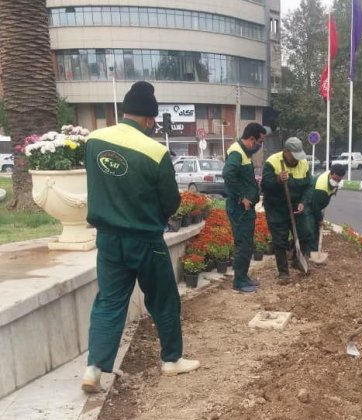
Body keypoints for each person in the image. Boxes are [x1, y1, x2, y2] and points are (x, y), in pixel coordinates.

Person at [82, 81, 200, 393]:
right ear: (149, 119)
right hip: (146, 241)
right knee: (163, 299)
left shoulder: (94, 140)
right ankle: (172, 360)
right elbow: (171, 202)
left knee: (109, 302)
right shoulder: (155, 150)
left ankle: (94, 368)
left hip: (108, 239)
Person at [222, 122, 267, 293]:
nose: (259, 146)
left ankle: (244, 276)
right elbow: (227, 174)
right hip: (239, 208)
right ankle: (239, 282)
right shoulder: (237, 152)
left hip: (245, 210)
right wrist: (242, 197)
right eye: (260, 142)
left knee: (247, 244)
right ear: (251, 139)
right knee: (243, 244)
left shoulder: (244, 153)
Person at [261, 137, 311, 283]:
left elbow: (309, 186)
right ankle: (283, 273)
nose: (296, 160)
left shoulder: (303, 163)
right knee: (280, 239)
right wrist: (277, 180)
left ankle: (297, 259)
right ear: (286, 152)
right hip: (276, 207)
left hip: (296, 205)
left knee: (305, 233)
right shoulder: (273, 162)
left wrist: (303, 202)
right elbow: (264, 185)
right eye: (293, 156)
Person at [305, 164, 346, 252]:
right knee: (310, 229)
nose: (336, 182)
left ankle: (314, 251)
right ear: (331, 174)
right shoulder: (321, 185)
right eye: (335, 179)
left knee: (315, 229)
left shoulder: (332, 180)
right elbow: (315, 206)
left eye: (339, 180)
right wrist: (320, 219)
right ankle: (309, 252)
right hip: (307, 205)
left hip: (316, 205)